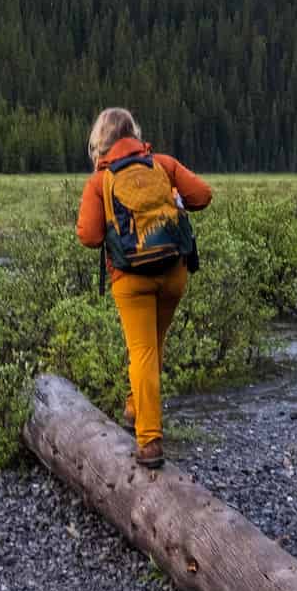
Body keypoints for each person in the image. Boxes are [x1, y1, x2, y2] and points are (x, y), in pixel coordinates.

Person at [76, 106, 212, 468]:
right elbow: (202, 196)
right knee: (154, 345)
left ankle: (149, 442)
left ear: (100, 141)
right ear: (134, 134)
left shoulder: (99, 181)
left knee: (142, 352)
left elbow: (89, 237)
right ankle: (135, 408)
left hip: (130, 280)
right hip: (173, 272)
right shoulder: (163, 164)